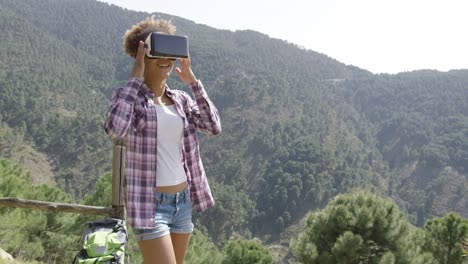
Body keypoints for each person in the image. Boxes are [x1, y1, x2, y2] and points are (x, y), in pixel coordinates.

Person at [103, 16, 221, 264]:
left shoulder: (181, 100)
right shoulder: (129, 99)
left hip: (183, 200)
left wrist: (192, 81)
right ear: (142, 54)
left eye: (169, 53)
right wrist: (136, 76)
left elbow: (212, 127)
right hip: (150, 205)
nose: (166, 60)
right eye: (156, 52)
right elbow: (115, 129)